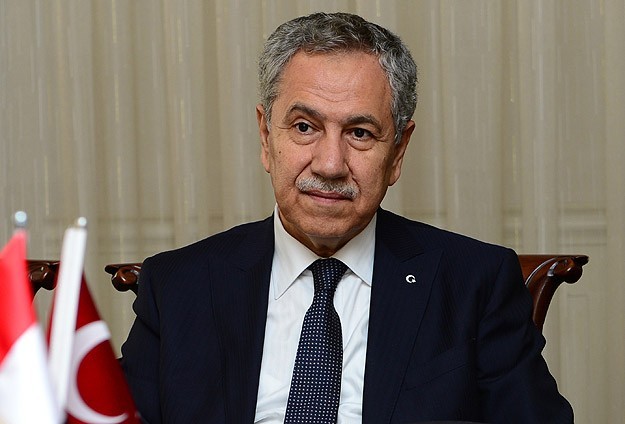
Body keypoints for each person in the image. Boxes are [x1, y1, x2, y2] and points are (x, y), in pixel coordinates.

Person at [120, 12, 573, 423]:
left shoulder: (474, 283)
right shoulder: (179, 286)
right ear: (265, 136)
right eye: (304, 127)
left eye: (360, 132)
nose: (330, 164)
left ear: (398, 151)